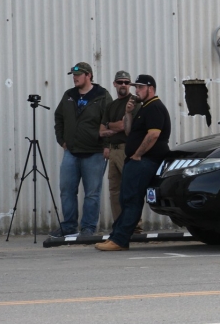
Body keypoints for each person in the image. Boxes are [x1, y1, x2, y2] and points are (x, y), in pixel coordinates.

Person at [96, 74, 171, 251]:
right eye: (136, 87)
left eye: (140, 87)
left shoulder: (155, 107)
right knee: (125, 199)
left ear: (150, 89)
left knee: (131, 200)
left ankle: (120, 240)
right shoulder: (144, 107)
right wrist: (128, 113)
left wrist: (137, 155)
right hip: (136, 160)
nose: (136, 90)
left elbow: (153, 135)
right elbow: (129, 132)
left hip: (145, 161)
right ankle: (116, 236)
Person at [52, 62, 113, 238]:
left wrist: (107, 145)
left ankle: (88, 228)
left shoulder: (102, 96)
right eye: (73, 75)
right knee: (66, 190)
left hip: (94, 152)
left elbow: (109, 121)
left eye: (78, 75)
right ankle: (69, 226)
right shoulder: (69, 95)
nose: (75, 78)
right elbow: (59, 117)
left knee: (92, 193)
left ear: (88, 76)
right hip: (71, 152)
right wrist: (61, 139)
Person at [99, 70, 142, 232]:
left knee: (130, 188)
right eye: (120, 82)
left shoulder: (134, 102)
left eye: (126, 82)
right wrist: (113, 127)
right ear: (114, 84)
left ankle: (135, 225)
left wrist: (110, 125)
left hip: (127, 149)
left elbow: (125, 126)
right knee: (114, 190)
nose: (123, 85)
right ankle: (120, 225)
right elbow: (101, 131)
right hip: (113, 150)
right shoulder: (111, 105)